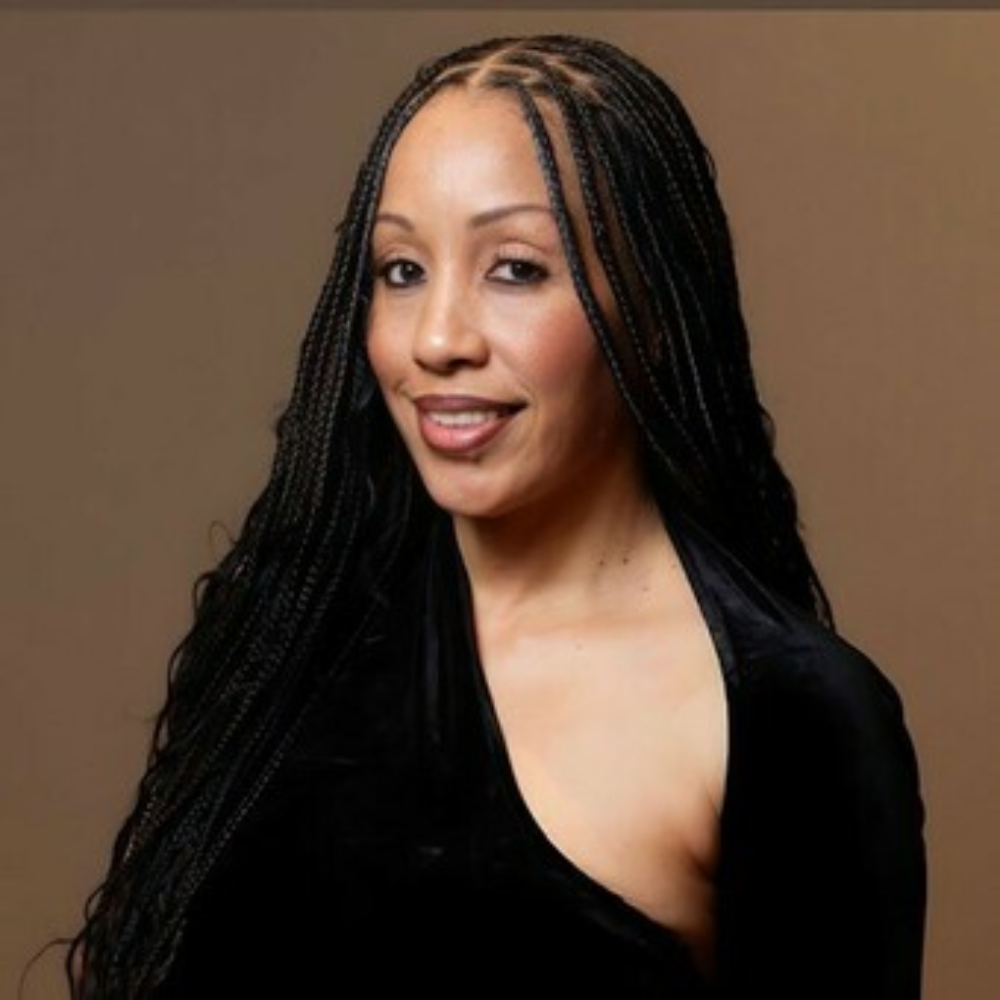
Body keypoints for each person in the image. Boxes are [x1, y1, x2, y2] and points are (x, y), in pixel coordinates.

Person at [66, 33, 926, 998]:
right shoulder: (292, 627)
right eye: (401, 270)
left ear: (653, 307)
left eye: (515, 269)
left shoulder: (789, 715)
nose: (437, 339)